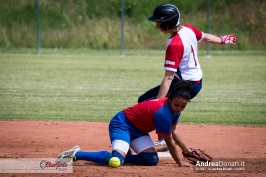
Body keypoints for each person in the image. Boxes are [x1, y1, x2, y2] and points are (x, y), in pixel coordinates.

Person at [137, 4, 236, 150]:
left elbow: (168, 78)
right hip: (194, 81)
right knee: (157, 104)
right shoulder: (188, 29)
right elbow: (207, 37)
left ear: (168, 23)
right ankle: (164, 138)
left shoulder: (175, 45)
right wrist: (222, 40)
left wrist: (158, 102)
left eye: (159, 22)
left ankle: (164, 140)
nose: (157, 25)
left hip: (184, 83)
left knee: (149, 103)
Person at [57, 80, 194, 167]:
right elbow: (169, 141)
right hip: (122, 124)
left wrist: (187, 151)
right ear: (169, 99)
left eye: (183, 106)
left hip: (139, 131)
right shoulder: (163, 113)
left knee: (151, 160)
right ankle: (77, 153)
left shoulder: (174, 110)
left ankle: (126, 155)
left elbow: (174, 131)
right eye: (176, 105)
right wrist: (179, 162)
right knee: (115, 161)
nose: (179, 109)